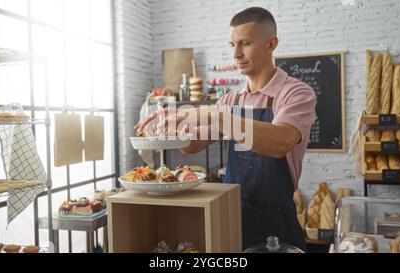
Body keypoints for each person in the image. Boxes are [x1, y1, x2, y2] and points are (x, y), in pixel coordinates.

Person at [135, 7, 316, 251]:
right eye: (232, 45)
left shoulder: (295, 93)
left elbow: (280, 142)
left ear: (271, 44)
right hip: (231, 217)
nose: (236, 54)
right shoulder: (232, 100)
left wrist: (215, 114)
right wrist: (171, 127)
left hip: (276, 224)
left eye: (245, 43)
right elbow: (191, 146)